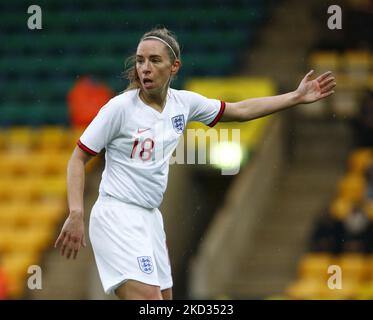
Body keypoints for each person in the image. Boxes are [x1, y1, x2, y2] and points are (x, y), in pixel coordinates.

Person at [54, 27, 336, 300]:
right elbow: (78, 158)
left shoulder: (184, 104)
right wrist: (76, 211)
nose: (145, 68)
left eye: (154, 60)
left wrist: (295, 97)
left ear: (174, 66)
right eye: (140, 60)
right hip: (117, 215)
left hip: (150, 217)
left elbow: (239, 111)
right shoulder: (119, 108)